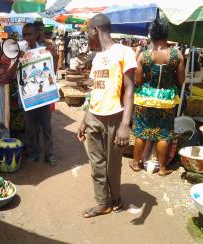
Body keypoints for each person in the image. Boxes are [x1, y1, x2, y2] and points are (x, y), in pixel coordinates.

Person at [78, 14, 137, 218]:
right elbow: (95, 91)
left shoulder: (124, 51)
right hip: (94, 116)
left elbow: (130, 89)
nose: (87, 36)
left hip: (115, 117)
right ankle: (103, 202)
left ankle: (116, 196)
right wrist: (84, 119)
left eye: (87, 32)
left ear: (95, 29)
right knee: (97, 164)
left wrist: (125, 124)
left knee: (113, 165)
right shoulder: (97, 58)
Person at [131, 19, 185, 176]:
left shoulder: (144, 55)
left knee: (141, 131)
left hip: (146, 98)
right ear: (167, 34)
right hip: (167, 98)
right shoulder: (177, 54)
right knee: (164, 132)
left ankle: (136, 163)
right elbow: (182, 81)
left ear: (151, 34)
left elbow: (138, 80)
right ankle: (161, 168)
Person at [7, 23, 57, 166]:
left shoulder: (44, 50)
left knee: (46, 127)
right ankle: (33, 153)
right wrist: (18, 59)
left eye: (29, 34)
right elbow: (10, 74)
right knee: (30, 128)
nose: (27, 37)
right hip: (28, 97)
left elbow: (52, 70)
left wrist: (53, 54)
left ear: (36, 35)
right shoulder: (19, 51)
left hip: (43, 96)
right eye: (25, 34)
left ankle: (50, 155)